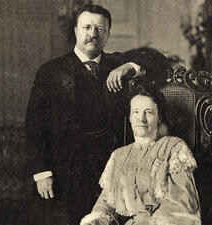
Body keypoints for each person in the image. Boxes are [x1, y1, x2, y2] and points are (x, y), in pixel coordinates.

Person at [25, 4, 149, 225]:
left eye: (100, 29)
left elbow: (156, 61)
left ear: (108, 33)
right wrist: (42, 172)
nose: (93, 34)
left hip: (108, 167)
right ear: (75, 31)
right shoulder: (51, 71)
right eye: (87, 27)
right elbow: (34, 125)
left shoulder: (115, 64)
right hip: (64, 170)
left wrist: (128, 66)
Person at [80, 84, 201, 225]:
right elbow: (107, 200)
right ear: (130, 118)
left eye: (148, 112)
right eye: (136, 112)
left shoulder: (174, 147)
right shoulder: (118, 155)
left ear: (159, 117)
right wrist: (97, 219)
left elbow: (183, 200)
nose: (141, 119)